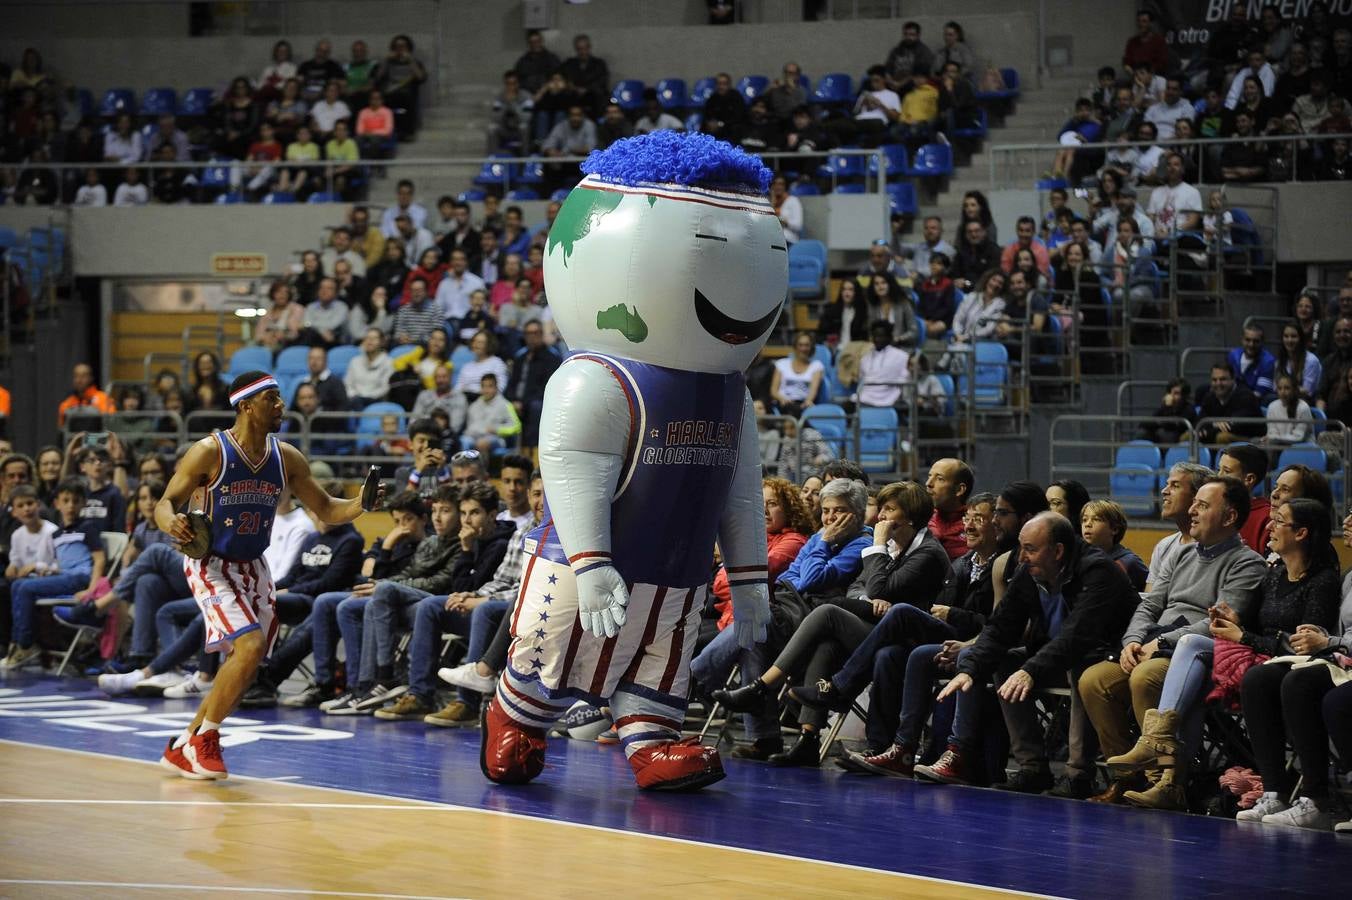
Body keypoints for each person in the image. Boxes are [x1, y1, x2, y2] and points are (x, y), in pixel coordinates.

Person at [149, 371, 382, 779]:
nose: (281, 405)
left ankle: (184, 745)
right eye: (272, 398)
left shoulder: (287, 457)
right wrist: (172, 524)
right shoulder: (209, 452)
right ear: (245, 405)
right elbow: (165, 503)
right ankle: (207, 739)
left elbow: (327, 510)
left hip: (256, 566)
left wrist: (362, 503)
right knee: (251, 646)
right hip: (211, 563)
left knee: (247, 662)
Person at [1110, 490, 1331, 811]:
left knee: (1184, 656)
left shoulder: (1319, 580)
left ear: (1301, 533)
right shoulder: (1275, 574)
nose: (1269, 526)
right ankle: (1162, 767)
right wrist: (1228, 618)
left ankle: (1159, 750)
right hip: (1248, 655)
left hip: (1276, 662)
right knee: (1178, 667)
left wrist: (1240, 633)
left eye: (1279, 521)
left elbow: (1302, 645)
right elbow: (1246, 621)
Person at [713, 481, 950, 765]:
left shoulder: (926, 553)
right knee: (823, 642)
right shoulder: (891, 546)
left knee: (822, 614)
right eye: (882, 509)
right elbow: (856, 588)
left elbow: (876, 588)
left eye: (890, 510)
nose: (881, 517)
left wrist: (874, 550)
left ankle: (758, 687)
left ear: (910, 516)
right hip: (877, 628)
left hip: (908, 636)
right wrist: (866, 598)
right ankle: (808, 740)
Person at [914, 512, 1138, 792]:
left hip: (1104, 656)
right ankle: (1032, 768)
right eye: (1021, 547)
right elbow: (1001, 626)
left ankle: (1078, 775)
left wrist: (1030, 670)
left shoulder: (1099, 571)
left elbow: (1078, 637)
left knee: (1081, 666)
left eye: (1030, 549)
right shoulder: (1029, 571)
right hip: (1053, 655)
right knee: (1003, 662)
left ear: (1058, 551)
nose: (1021, 557)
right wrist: (970, 669)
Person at [1238, 501, 1352, 830]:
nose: (1346, 521)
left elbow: (1334, 639)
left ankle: (1316, 798)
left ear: (1301, 532)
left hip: (1338, 658)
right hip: (1340, 658)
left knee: (1300, 683)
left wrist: (1328, 642)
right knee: (1258, 678)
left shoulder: (1326, 579)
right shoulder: (1348, 578)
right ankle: (1275, 791)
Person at [1, 479, 106, 670]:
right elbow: (59, 565)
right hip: (65, 577)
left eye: (76, 501)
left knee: (24, 588)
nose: (71, 506)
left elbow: (99, 559)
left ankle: (25, 644)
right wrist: (47, 571)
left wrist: (92, 589)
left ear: (83, 503)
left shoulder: (87, 527)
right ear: (57, 503)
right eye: (65, 501)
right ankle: (17, 642)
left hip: (80, 578)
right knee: (17, 584)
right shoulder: (56, 534)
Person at [1079, 500, 1148, 591]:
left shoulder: (1130, 562)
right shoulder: (1078, 561)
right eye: (1084, 520)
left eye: (1096, 519)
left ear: (1114, 529)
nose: (1087, 524)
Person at [1217, 442, 1273, 555]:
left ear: (1249, 479)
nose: (1219, 476)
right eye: (1219, 469)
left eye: (1227, 471)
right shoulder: (1212, 508)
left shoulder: (1267, 517)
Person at [1197, 362, 1263, 443]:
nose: (1218, 383)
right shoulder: (1209, 396)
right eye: (1214, 380)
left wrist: (1207, 430)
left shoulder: (1246, 396)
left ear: (1233, 379)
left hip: (1250, 440)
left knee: (1222, 437)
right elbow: (1200, 422)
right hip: (1216, 435)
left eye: (1223, 379)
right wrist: (1214, 424)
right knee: (1189, 436)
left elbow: (1234, 426)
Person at [855, 320, 908, 408]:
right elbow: (862, 380)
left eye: (880, 336)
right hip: (864, 397)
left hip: (888, 398)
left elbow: (903, 379)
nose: (877, 339)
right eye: (875, 336)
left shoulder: (901, 356)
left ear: (889, 337)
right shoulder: (865, 358)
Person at [770, 332, 824, 417]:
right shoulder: (781, 364)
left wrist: (808, 401)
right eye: (800, 345)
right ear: (795, 347)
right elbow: (773, 391)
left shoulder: (816, 366)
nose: (803, 348)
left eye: (807, 345)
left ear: (811, 348)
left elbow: (813, 391)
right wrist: (781, 399)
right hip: (783, 403)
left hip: (802, 404)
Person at [1266, 372, 1314, 446]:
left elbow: (1298, 437)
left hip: (1302, 448)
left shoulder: (1303, 408)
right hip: (1279, 445)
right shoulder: (1272, 406)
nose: (1282, 392)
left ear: (1294, 390)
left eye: (1287, 388)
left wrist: (1275, 439)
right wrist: (1273, 439)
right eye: (1279, 388)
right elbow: (1271, 432)